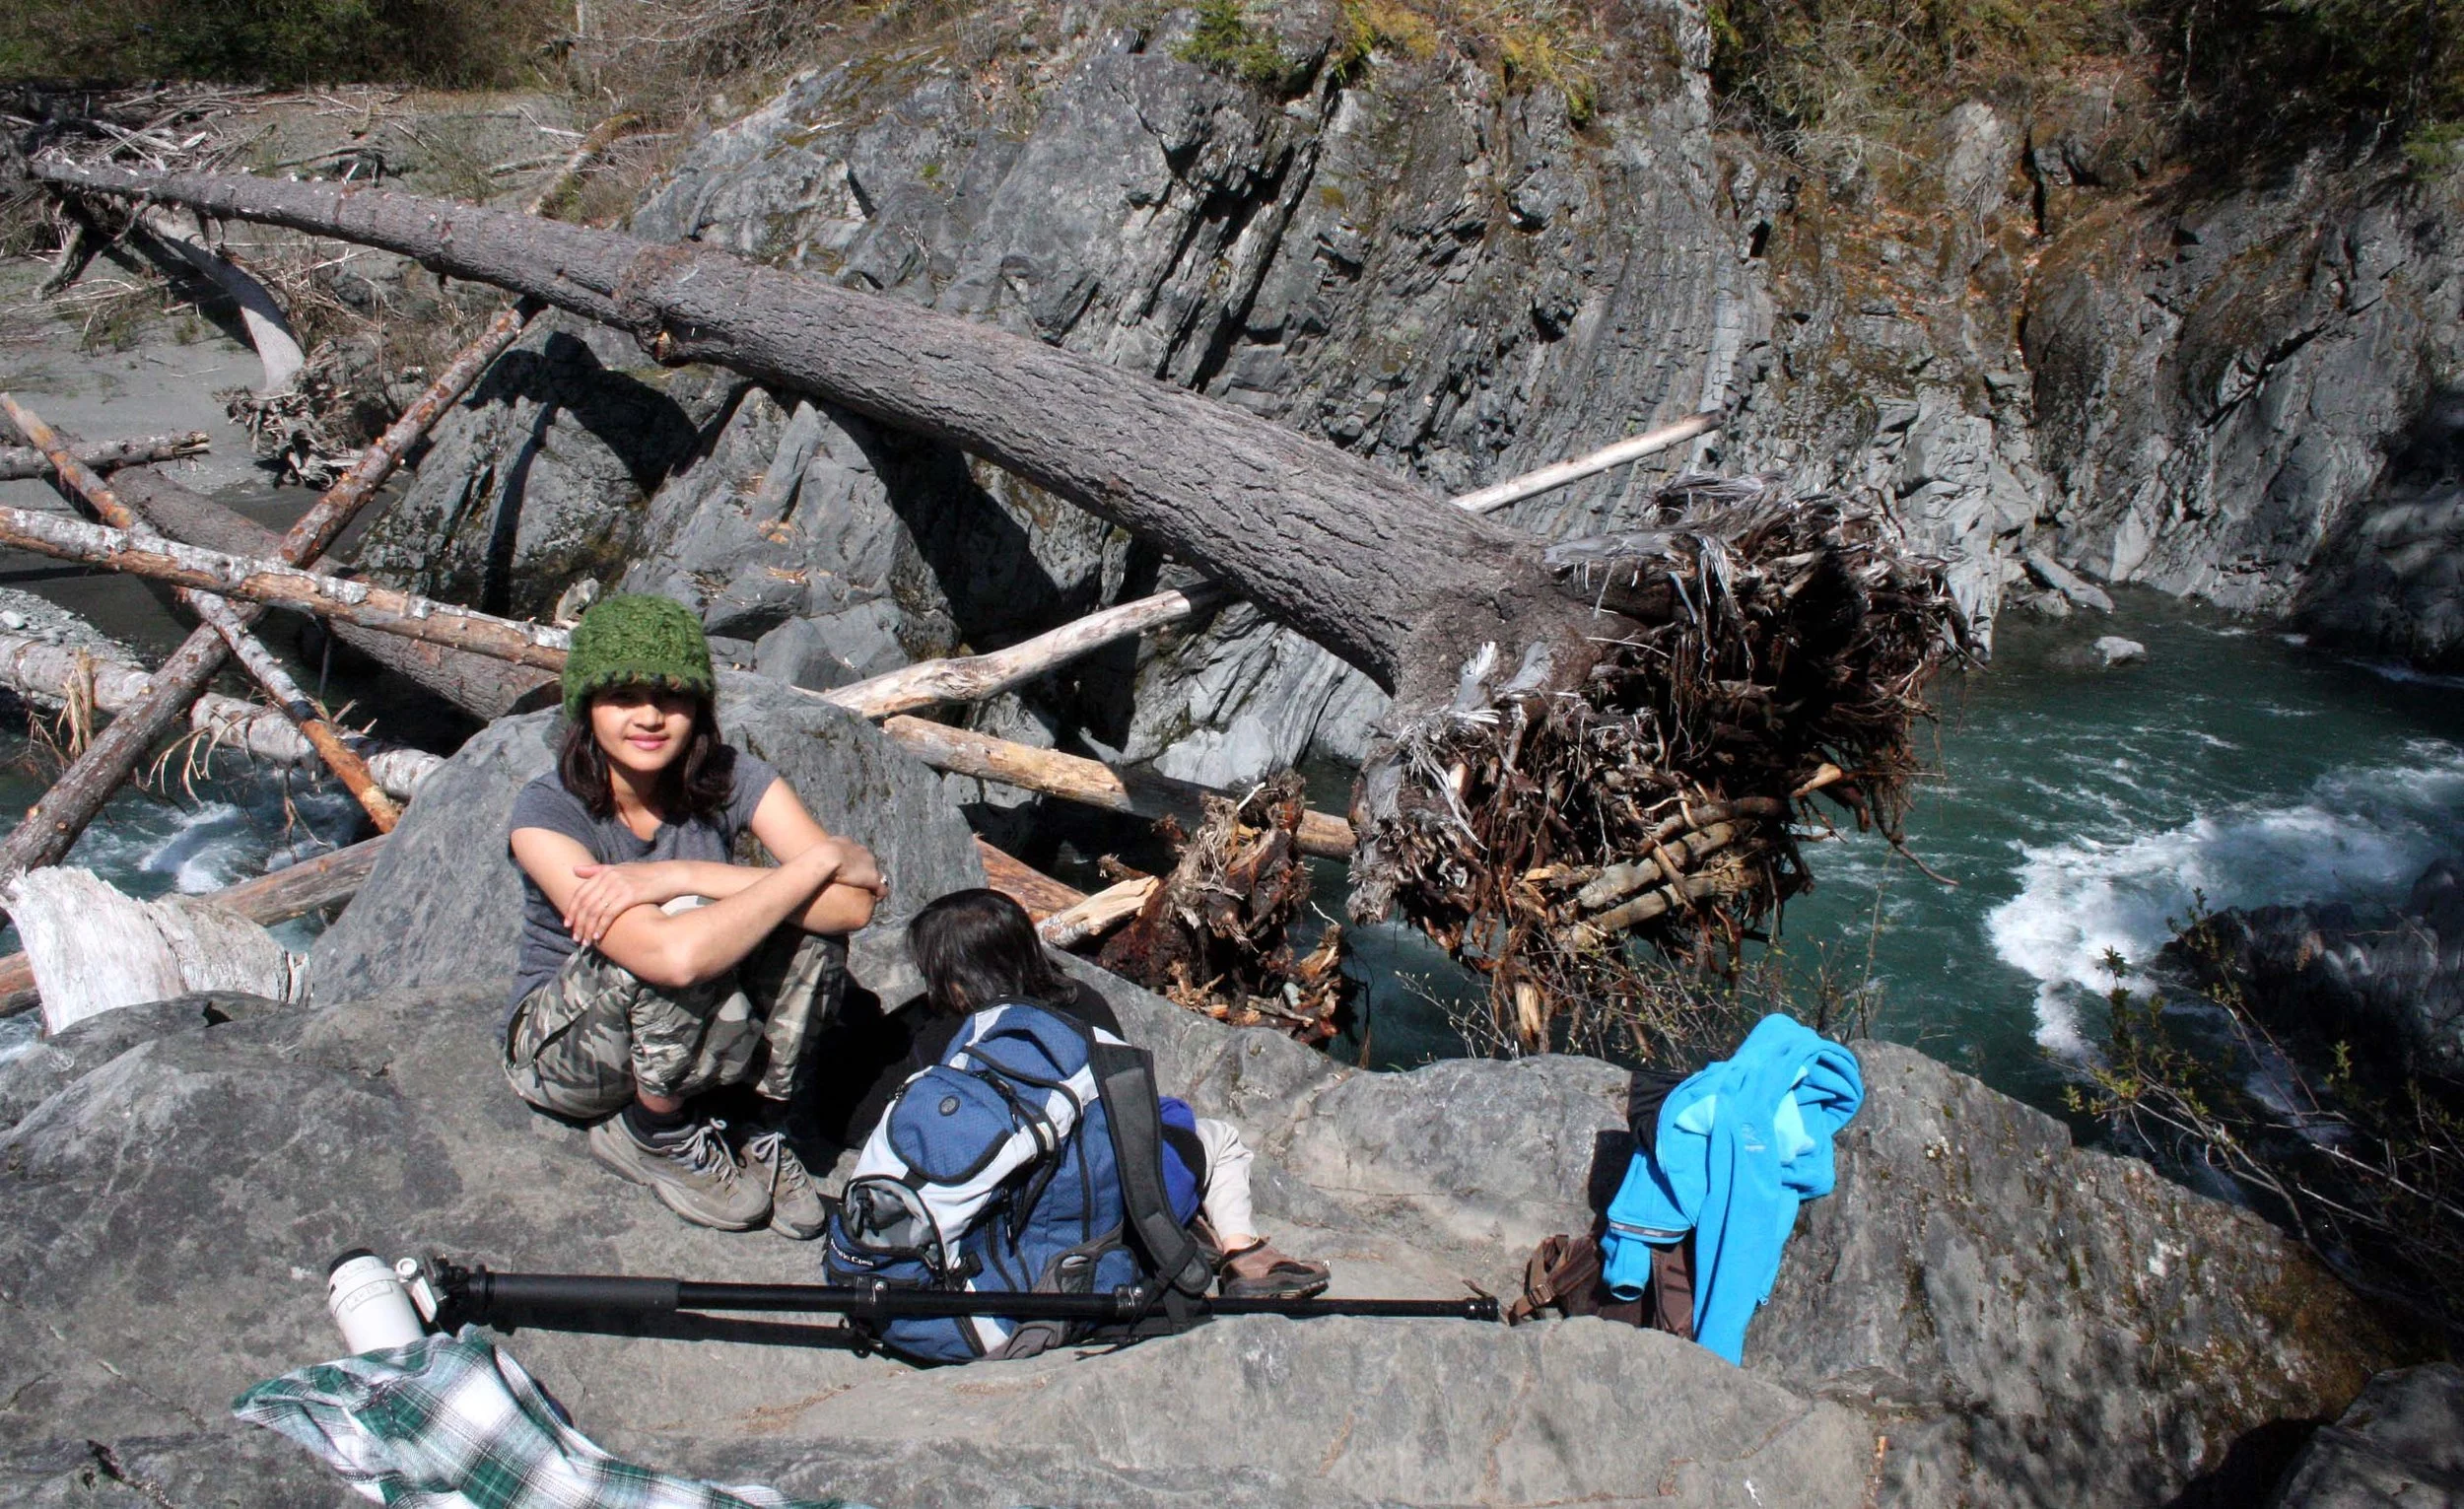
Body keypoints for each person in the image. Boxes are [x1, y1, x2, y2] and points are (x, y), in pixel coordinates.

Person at [504, 594, 886, 1238]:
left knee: (811, 935)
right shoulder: (547, 812)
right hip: (568, 1055)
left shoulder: (732, 777)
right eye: (623, 696)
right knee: (693, 920)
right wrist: (825, 860)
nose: (650, 717)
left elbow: (851, 906)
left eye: (672, 696)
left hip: (694, 1042)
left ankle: (757, 1120)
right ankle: (652, 1131)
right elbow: (671, 957)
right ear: (586, 706)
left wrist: (682, 872)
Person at [872, 888, 1330, 1299]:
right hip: (1106, 1215)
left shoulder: (941, 1040)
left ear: (952, 977)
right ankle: (1241, 1252)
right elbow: (1130, 1122)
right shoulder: (1083, 1005)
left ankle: (1190, 1229)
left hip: (1010, 1230)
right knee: (1216, 1136)